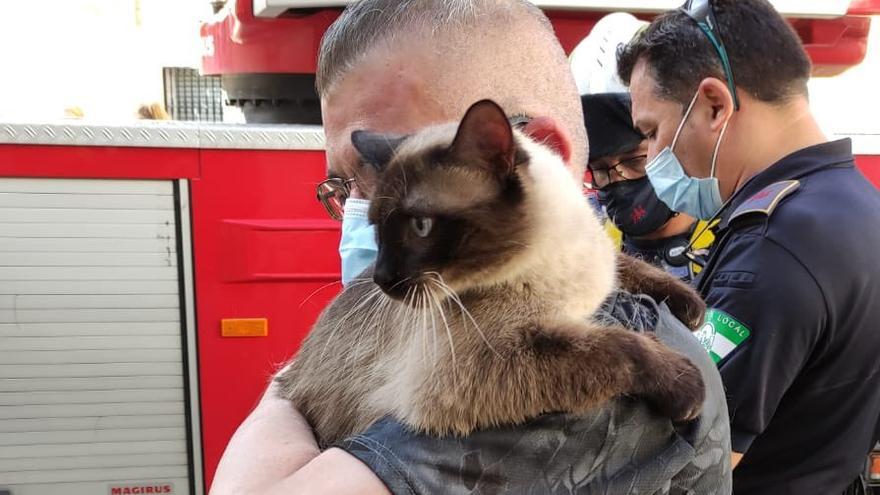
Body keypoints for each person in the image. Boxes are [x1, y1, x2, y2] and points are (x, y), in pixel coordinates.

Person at [209, 1, 732, 493]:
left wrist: (278, 402)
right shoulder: (497, 277)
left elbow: (463, 387)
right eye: (350, 190)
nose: (359, 224)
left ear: (524, 152)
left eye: (415, 215)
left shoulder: (601, 383)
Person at [617, 0, 880, 493]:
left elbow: (685, 463)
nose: (652, 156)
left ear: (714, 105)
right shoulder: (858, 206)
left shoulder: (773, 251)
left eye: (652, 132)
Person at [582, 92, 713, 282]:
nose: (618, 180)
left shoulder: (732, 241)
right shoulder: (596, 253)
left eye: (635, 162)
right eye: (601, 170)